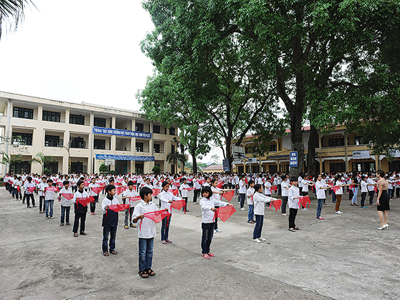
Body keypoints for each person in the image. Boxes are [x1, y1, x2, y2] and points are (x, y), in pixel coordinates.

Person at [132, 187, 160, 278]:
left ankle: (148, 267)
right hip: (143, 233)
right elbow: (133, 220)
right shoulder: (139, 206)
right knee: (143, 252)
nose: (151, 196)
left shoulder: (152, 205)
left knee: (150, 251)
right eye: (150, 195)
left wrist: (164, 211)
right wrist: (138, 218)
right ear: (145, 196)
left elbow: (157, 213)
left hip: (151, 232)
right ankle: (142, 269)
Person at [200, 186, 232, 259]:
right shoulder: (202, 201)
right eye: (203, 192)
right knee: (205, 238)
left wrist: (227, 204)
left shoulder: (212, 199)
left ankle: (208, 251)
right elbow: (204, 206)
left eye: (206, 192)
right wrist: (211, 208)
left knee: (210, 237)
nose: (205, 194)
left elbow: (219, 202)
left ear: (209, 193)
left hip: (212, 221)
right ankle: (204, 252)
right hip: (206, 222)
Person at [102, 184, 119, 256]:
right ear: (109, 192)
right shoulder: (105, 201)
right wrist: (105, 208)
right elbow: (103, 211)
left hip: (114, 220)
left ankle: (112, 248)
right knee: (105, 236)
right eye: (113, 190)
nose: (115, 191)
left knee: (113, 236)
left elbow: (118, 208)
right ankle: (105, 250)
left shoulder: (115, 200)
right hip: (107, 221)